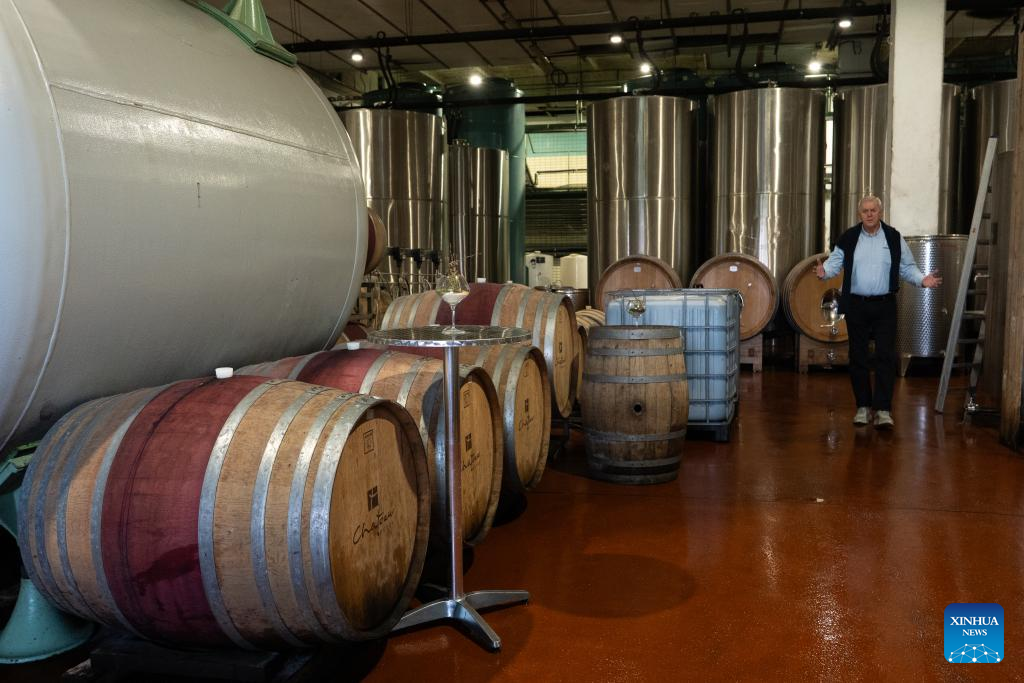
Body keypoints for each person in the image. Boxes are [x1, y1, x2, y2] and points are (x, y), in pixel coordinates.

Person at [815, 195, 942, 429]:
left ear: (880, 212)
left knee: (885, 356)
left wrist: (922, 279)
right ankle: (863, 407)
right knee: (858, 357)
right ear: (859, 214)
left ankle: (883, 409)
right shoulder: (849, 237)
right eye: (865, 211)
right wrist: (824, 272)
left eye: (873, 210)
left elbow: (907, 267)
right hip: (857, 304)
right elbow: (834, 263)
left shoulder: (893, 237)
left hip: (885, 305)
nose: (869, 214)